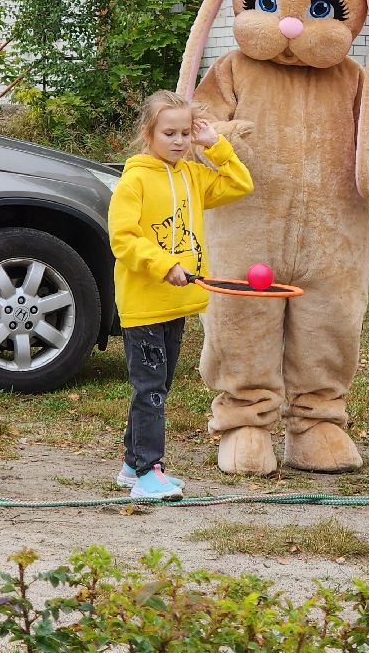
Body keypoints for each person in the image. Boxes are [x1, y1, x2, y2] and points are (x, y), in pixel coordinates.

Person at [108, 90, 253, 500]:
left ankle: (130, 464)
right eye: (169, 132)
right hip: (143, 305)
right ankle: (147, 472)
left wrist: (216, 146)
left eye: (186, 133)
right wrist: (163, 265)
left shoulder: (192, 176)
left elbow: (240, 183)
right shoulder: (134, 179)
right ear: (148, 133)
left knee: (158, 386)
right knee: (150, 388)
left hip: (178, 303)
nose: (178, 141)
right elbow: (123, 237)